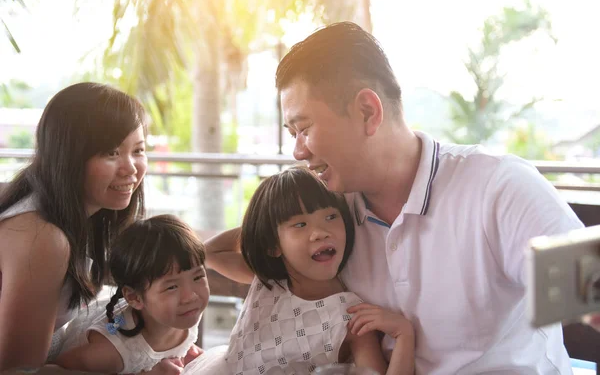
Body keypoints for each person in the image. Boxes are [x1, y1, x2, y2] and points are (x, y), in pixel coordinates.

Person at [206, 22, 584, 374]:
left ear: (367, 111)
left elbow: (589, 284)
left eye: (303, 129)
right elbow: (256, 242)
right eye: (292, 133)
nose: (298, 152)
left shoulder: (496, 188)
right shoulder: (331, 213)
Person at [0, 82, 148, 370]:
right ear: (69, 156)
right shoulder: (42, 237)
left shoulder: (66, 214)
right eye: (111, 152)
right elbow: (18, 369)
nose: (131, 168)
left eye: (138, 150)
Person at [212, 166, 414, 375]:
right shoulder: (268, 282)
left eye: (330, 217)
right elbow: (209, 252)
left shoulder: (352, 316)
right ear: (272, 245)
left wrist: (404, 335)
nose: (320, 233)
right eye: (300, 224)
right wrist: (263, 225)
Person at [53, 215, 209, 374]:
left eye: (198, 277)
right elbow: (50, 370)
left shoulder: (185, 314)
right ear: (134, 297)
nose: (191, 296)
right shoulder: (109, 353)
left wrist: (187, 352)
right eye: (172, 287)